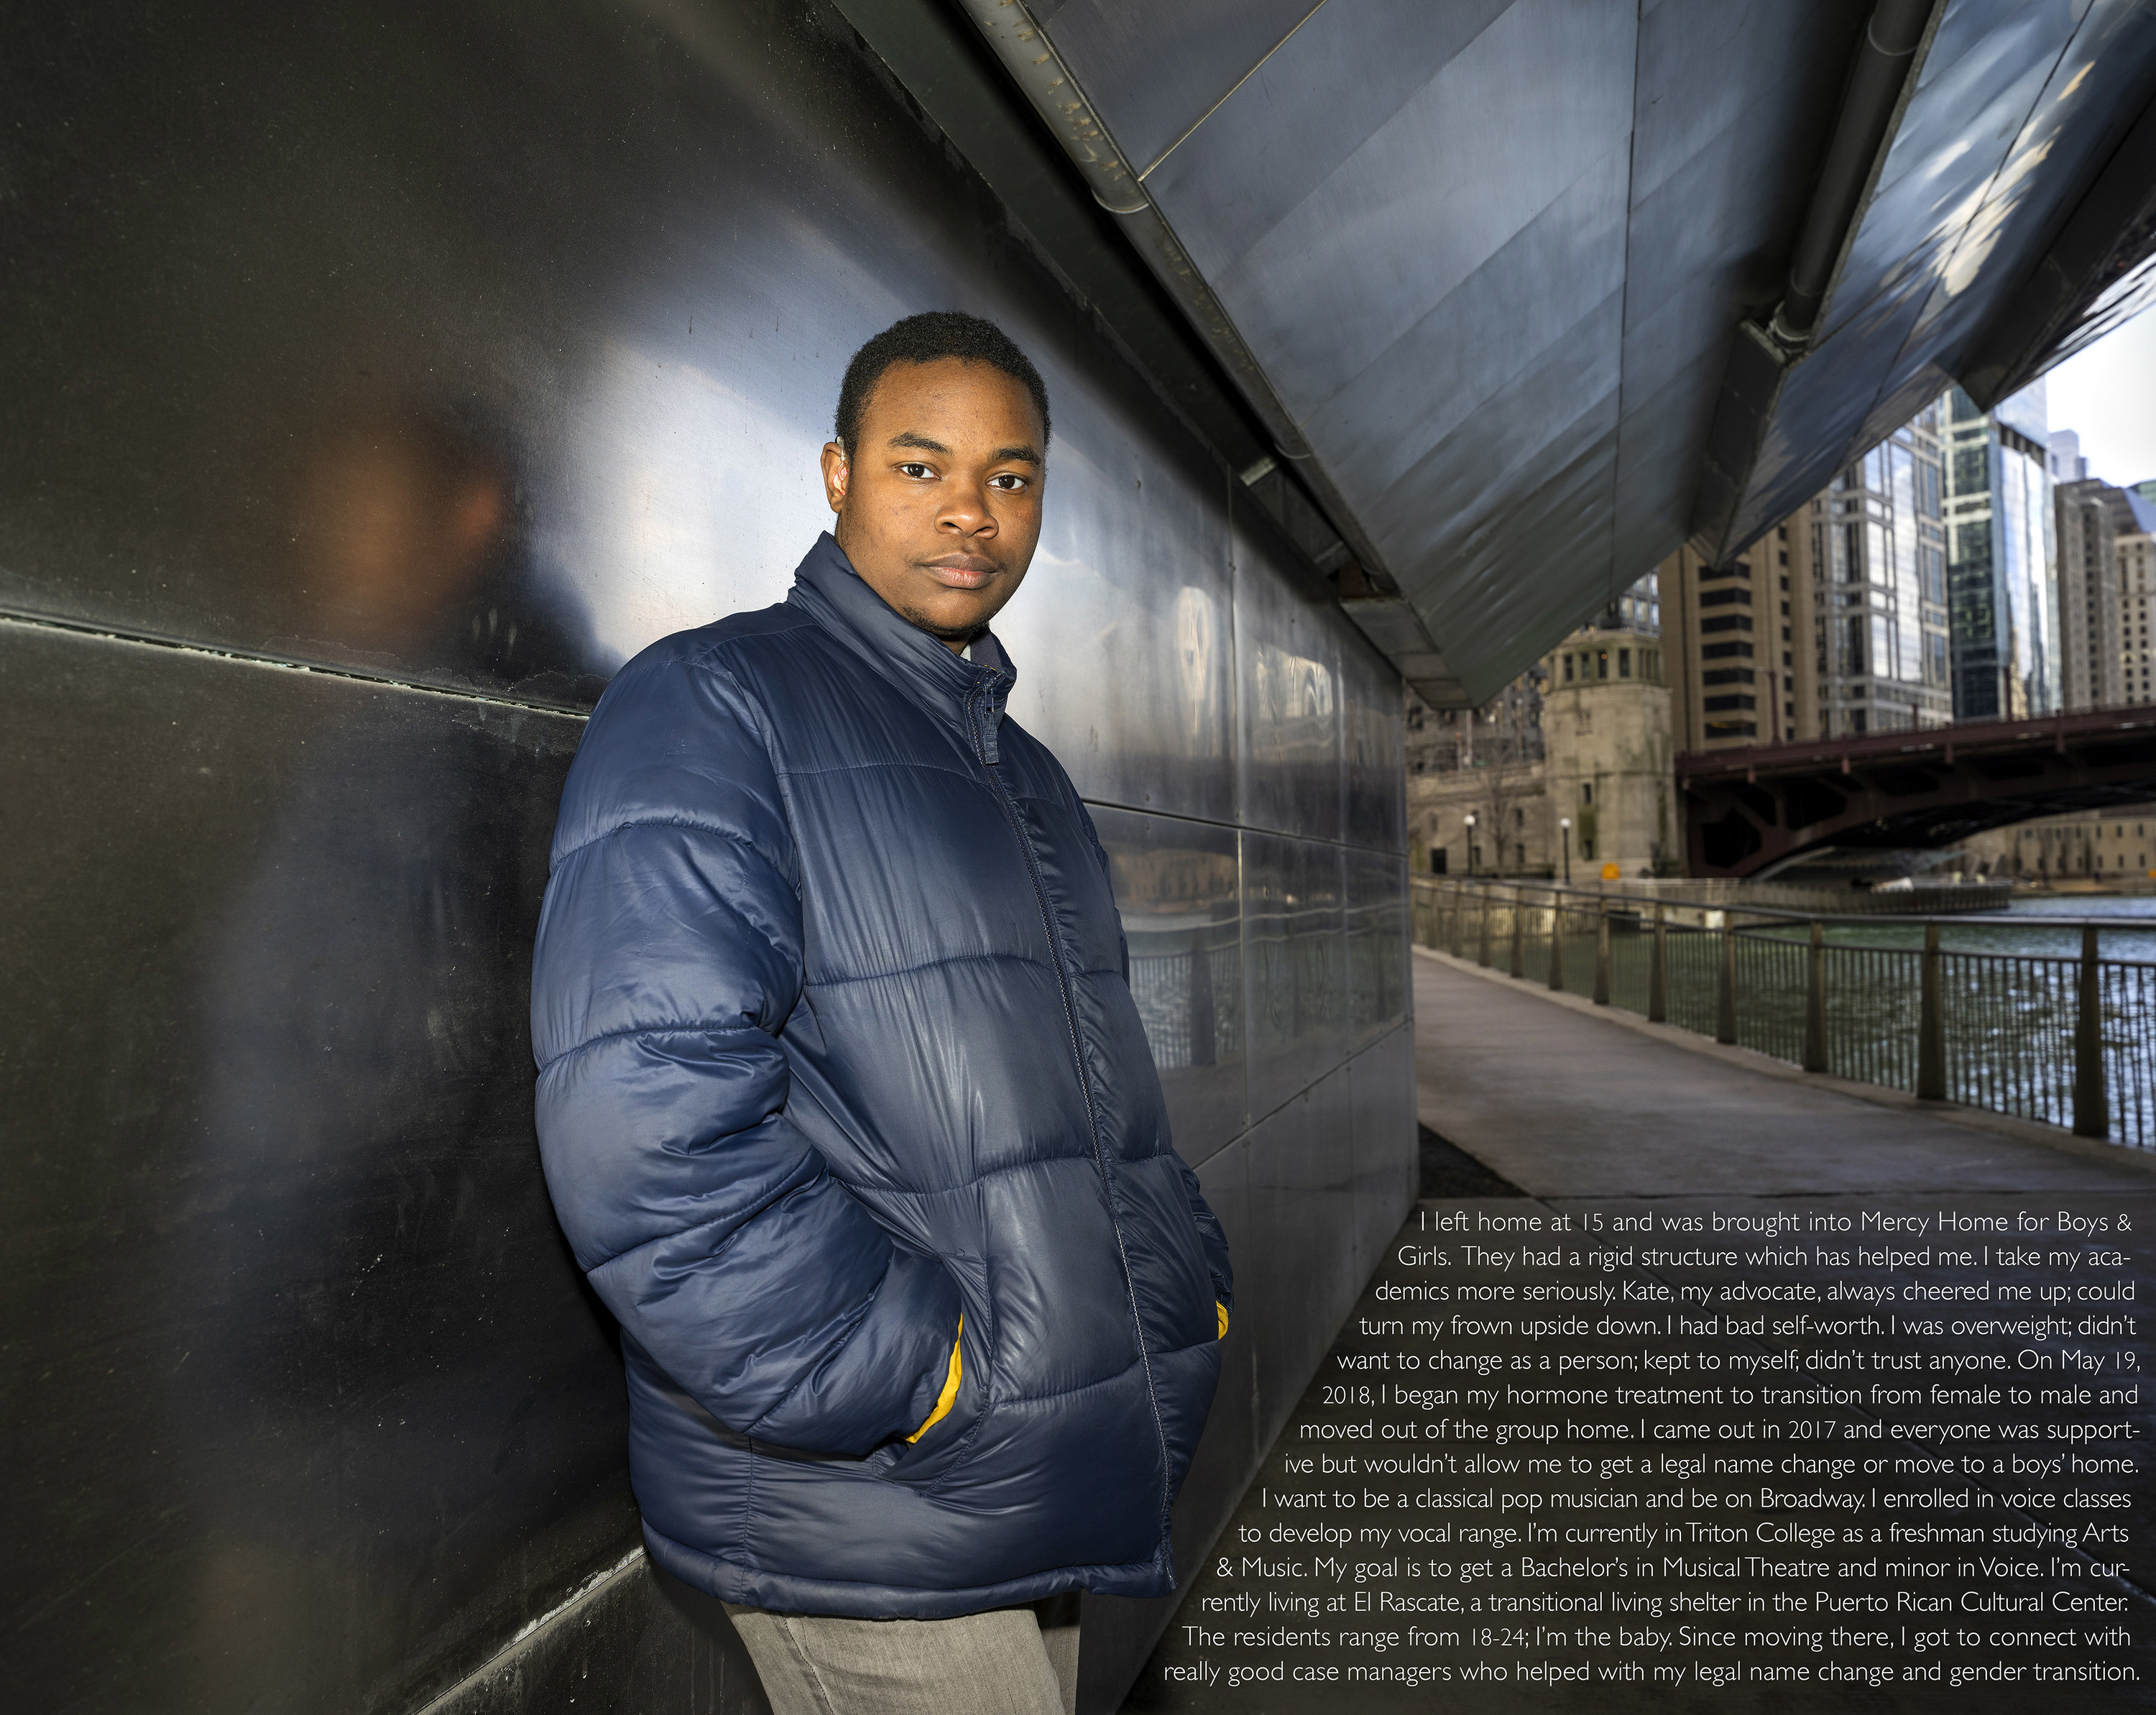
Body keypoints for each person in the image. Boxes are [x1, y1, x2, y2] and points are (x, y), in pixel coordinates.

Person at [530, 311, 1233, 1714]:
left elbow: (1097, 1096)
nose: (973, 511)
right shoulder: (715, 701)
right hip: (873, 1495)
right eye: (923, 466)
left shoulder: (1022, 771)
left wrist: (1182, 1275)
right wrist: (918, 1376)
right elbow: (647, 1127)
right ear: (838, 474)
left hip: (1038, 1470)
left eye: (1012, 475)